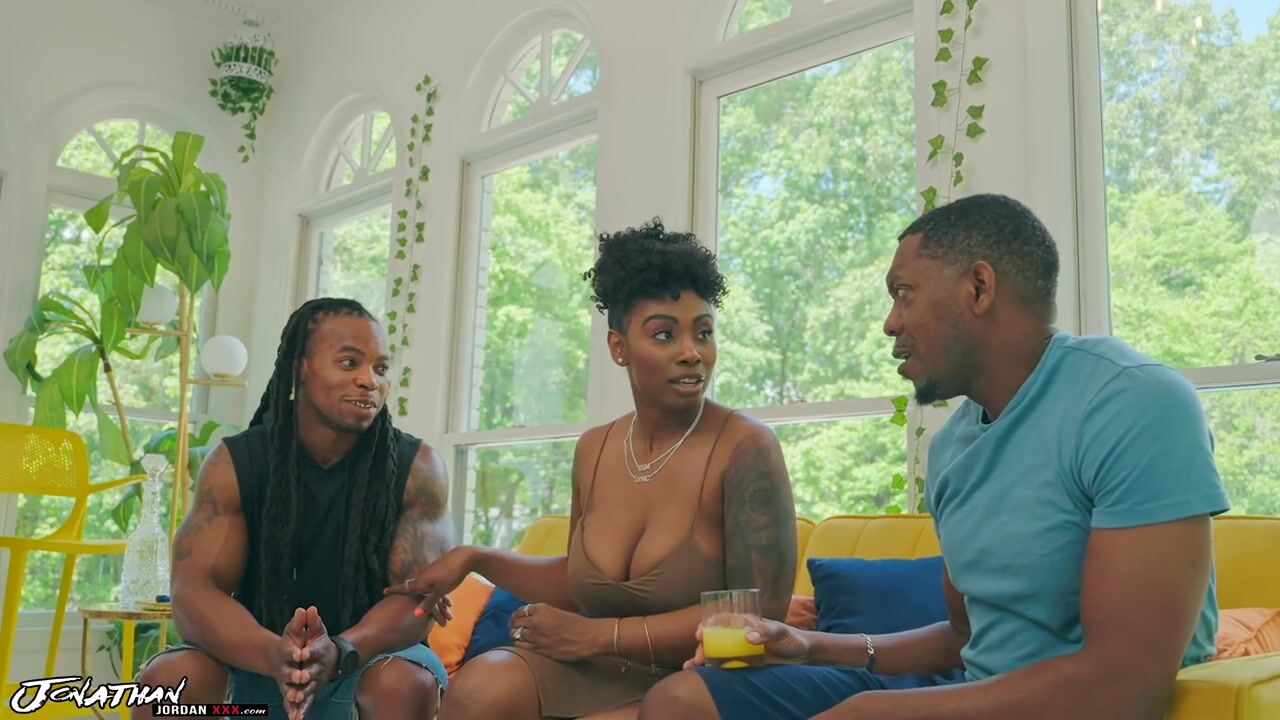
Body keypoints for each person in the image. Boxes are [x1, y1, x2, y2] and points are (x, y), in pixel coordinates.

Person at [639, 194, 1231, 720]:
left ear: (979, 288)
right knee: (681, 702)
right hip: (976, 689)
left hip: (1074, 705)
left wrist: (874, 712)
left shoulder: (1132, 402)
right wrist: (809, 644)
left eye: (903, 294)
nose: (890, 323)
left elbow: (1124, 687)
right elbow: (964, 636)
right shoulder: (953, 447)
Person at [385, 220, 798, 720]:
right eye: (664, 334)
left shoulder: (745, 446)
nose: (692, 352)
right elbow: (582, 583)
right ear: (618, 347)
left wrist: (596, 636)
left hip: (700, 677)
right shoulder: (595, 449)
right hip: (602, 666)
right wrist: (475, 557)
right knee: (479, 689)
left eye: (704, 332)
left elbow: (758, 615)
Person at [136, 298, 454, 720]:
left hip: (368, 660)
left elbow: (419, 601)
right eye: (349, 363)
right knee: (169, 681)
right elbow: (194, 591)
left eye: (380, 368)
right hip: (255, 658)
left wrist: (341, 650)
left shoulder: (419, 468)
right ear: (298, 369)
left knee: (403, 684)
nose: (369, 381)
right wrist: (274, 654)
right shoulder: (234, 463)